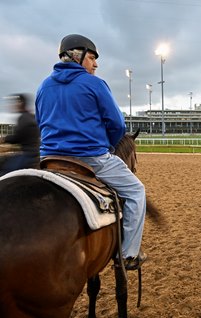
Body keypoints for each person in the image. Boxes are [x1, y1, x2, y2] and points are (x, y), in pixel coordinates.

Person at [35, 34, 147, 270]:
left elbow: (41, 121)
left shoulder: (43, 86)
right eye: (93, 58)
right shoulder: (94, 84)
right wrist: (107, 145)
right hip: (92, 158)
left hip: (50, 160)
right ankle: (128, 254)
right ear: (78, 56)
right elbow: (117, 125)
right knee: (137, 191)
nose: (96, 64)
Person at [0, 93, 40, 176]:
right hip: (34, 152)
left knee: (6, 173)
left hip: (28, 153)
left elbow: (17, 136)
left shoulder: (23, 118)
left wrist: (4, 139)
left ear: (21, 103)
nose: (14, 105)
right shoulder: (31, 116)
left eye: (16, 102)